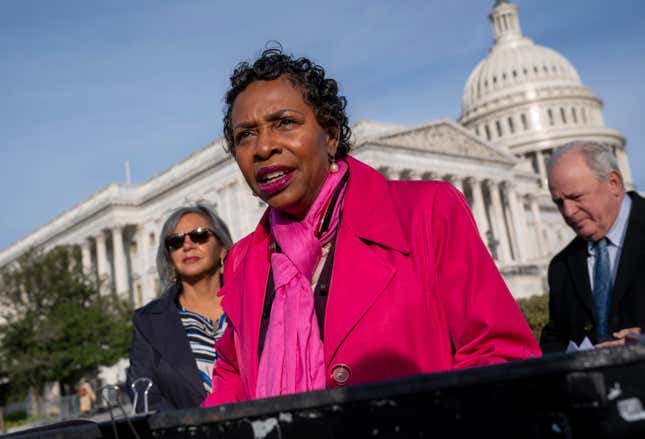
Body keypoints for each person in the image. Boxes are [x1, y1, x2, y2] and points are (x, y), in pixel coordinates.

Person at [202, 47, 540, 406]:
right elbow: (234, 376)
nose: (264, 146)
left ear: (330, 135)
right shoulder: (244, 258)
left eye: (285, 122)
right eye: (245, 135)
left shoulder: (427, 212)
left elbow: (498, 357)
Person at [540, 142, 644, 353]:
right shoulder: (561, 266)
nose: (568, 212)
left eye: (576, 198)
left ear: (613, 183)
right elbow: (556, 337)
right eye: (559, 202)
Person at [127, 204, 233, 411]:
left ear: (222, 248)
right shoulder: (148, 322)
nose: (187, 245)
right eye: (175, 242)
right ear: (170, 258)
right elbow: (145, 396)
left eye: (199, 235)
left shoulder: (255, 301)